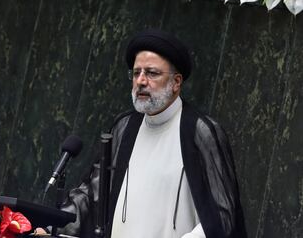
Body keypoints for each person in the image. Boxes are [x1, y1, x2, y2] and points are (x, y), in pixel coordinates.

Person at [47, 30, 247, 238]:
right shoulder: (124, 127)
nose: (141, 81)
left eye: (152, 73)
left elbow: (222, 215)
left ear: (176, 82)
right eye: (136, 73)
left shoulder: (201, 131)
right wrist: (51, 225)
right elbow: (92, 195)